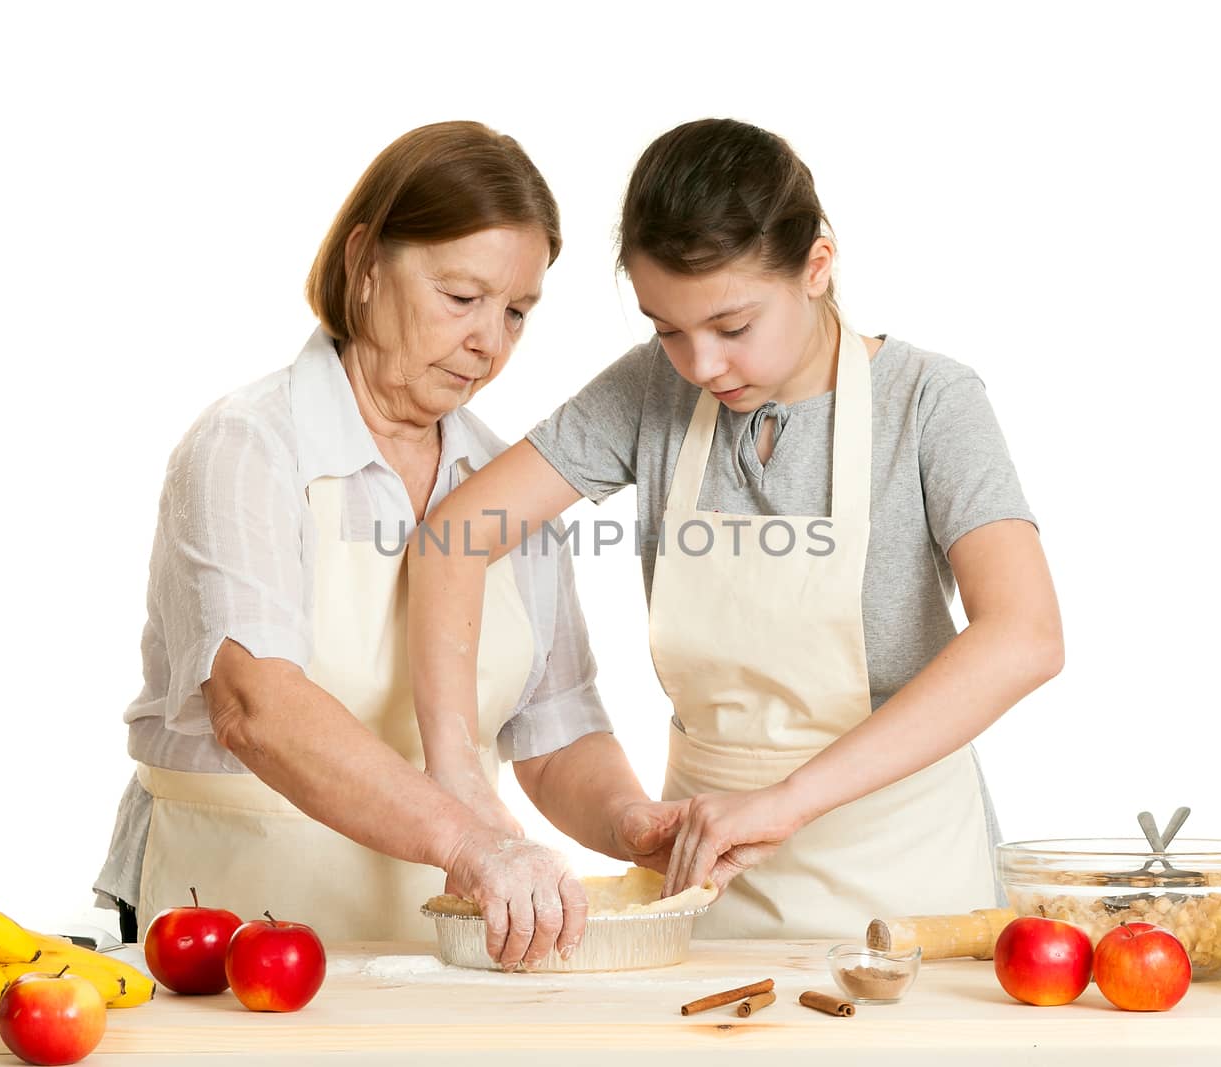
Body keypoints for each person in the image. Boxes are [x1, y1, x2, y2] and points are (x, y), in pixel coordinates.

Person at [406, 118, 1065, 939]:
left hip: (908, 888)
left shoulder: (930, 404)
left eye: (732, 326)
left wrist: (789, 803)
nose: (702, 365)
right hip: (705, 885)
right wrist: (458, 779)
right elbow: (453, 535)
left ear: (817, 268)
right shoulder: (655, 391)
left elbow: (1027, 634)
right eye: (667, 329)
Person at [93, 121, 683, 969]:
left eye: (517, 312)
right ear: (365, 264)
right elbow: (256, 708)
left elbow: (554, 727)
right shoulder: (249, 446)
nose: (490, 340)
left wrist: (634, 824)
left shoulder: (505, 478)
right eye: (461, 297)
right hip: (232, 927)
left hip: (434, 944)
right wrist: (475, 845)